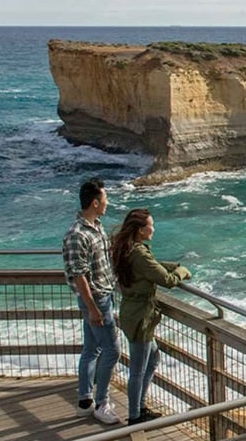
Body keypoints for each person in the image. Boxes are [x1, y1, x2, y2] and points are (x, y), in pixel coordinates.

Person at [110, 208, 191, 425]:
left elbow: (153, 268)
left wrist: (174, 266)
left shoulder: (129, 250)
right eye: (150, 225)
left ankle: (140, 407)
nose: (153, 229)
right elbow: (168, 280)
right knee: (137, 369)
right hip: (141, 318)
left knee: (153, 358)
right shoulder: (138, 253)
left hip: (132, 312)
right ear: (139, 230)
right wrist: (182, 271)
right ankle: (135, 416)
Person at [62, 178, 122, 425]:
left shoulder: (96, 227)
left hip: (103, 297)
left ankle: (85, 401)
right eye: (105, 200)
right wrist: (93, 308)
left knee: (91, 349)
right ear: (95, 202)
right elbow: (80, 276)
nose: (107, 204)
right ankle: (102, 403)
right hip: (97, 301)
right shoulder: (77, 235)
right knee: (112, 350)